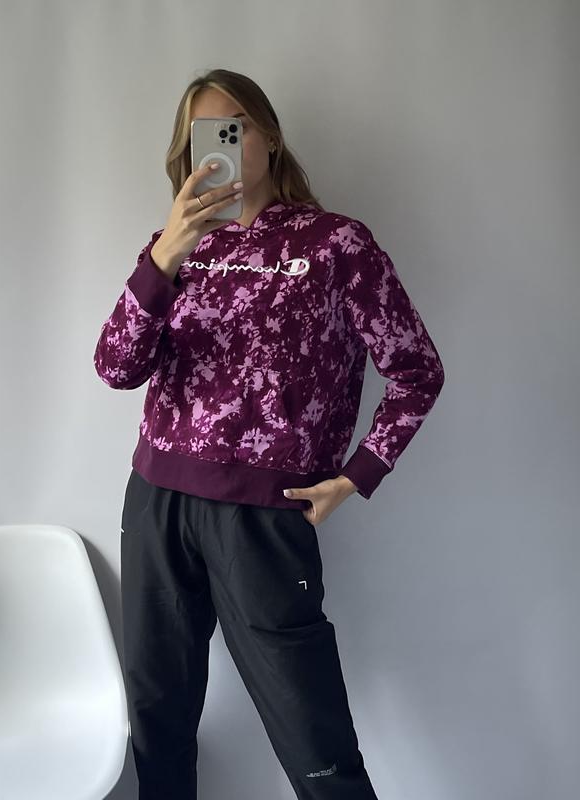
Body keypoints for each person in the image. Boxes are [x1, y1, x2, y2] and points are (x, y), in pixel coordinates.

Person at [93, 68, 444, 800]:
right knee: (157, 717)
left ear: (270, 135)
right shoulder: (173, 246)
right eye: (203, 133)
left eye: (235, 126)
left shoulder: (337, 243)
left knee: (314, 740)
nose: (219, 144)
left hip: (262, 516)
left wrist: (357, 477)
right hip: (156, 502)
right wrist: (165, 257)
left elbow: (416, 370)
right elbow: (115, 367)